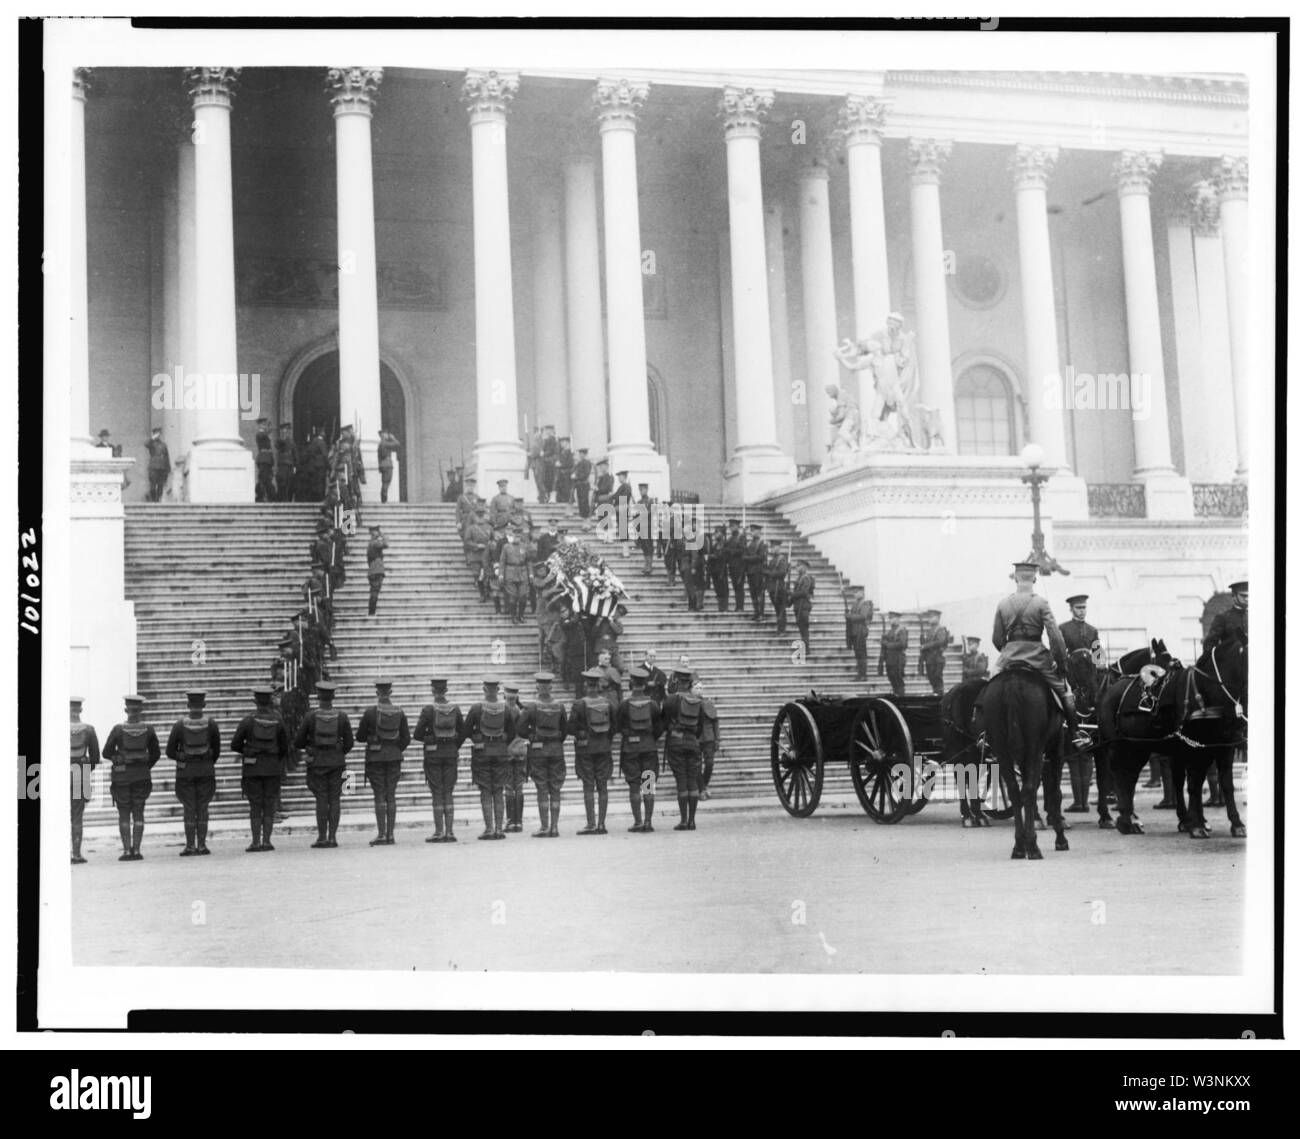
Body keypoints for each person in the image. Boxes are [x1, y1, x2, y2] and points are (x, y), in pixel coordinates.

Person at [991, 561, 1091, 750]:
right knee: (1065, 692)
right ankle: (1076, 732)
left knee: (989, 686)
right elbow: (1055, 638)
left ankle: (985, 734)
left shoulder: (1003, 603)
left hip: (1009, 656)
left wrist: (1009, 650)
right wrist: (1061, 665)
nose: (1082, 610)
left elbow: (996, 638)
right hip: (1037, 657)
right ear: (1035, 578)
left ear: (1016, 578)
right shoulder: (1040, 603)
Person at [293, 679, 354, 848]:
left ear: (318, 696)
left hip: (317, 763)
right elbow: (349, 742)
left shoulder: (310, 716)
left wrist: (311, 748)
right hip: (337, 763)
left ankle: (321, 837)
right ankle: (333, 837)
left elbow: (298, 742)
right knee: (335, 799)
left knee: (321, 798)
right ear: (333, 697)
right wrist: (338, 752)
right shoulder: (342, 716)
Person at [231, 686, 290, 853]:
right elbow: (285, 746)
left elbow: (235, 744)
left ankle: (255, 842)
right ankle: (267, 841)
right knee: (269, 804)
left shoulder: (248, 720)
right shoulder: (278, 720)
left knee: (255, 806)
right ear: (270, 701)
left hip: (253, 769)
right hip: (272, 769)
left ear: (256, 702)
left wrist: (249, 751)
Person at [102, 695, 160, 861]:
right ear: (140, 710)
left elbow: (106, 752)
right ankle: (137, 850)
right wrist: (144, 766)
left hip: (122, 777)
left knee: (124, 813)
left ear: (126, 710)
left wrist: (118, 758)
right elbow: (156, 753)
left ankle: (127, 851)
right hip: (141, 776)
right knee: (139, 813)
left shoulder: (118, 729)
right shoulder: (149, 729)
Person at [165, 689, 222, 857]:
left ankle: (190, 846)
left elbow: (169, 751)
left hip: (185, 773)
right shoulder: (211, 724)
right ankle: (202, 845)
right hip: (205, 771)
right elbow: (217, 751)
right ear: (203, 705)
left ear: (188, 704)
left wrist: (182, 756)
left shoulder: (179, 725)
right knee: (203, 808)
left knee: (189, 808)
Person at [355, 679, 410, 846]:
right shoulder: (400, 712)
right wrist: (394, 748)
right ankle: (391, 835)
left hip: (376, 758)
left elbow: (359, 737)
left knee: (379, 795)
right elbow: (406, 738)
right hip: (393, 757)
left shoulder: (370, 712)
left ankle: (381, 834)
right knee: (391, 795)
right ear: (390, 692)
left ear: (377, 693)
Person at [464, 678, 518, 840]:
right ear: (498, 690)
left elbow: (466, 730)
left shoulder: (476, 708)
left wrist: (478, 740)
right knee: (499, 790)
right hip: (501, 752)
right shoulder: (506, 709)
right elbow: (513, 733)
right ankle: (499, 829)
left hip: (482, 753)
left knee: (486, 790)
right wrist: (502, 743)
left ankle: (489, 828)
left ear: (484, 689)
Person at [411, 677, 463, 843]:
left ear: (433, 691)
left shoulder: (428, 710)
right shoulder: (455, 709)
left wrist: (430, 738)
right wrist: (453, 745)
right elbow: (462, 732)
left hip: (433, 755)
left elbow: (417, 734)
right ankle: (450, 832)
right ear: (446, 691)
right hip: (451, 754)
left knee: (437, 792)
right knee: (448, 791)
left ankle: (439, 832)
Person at [518, 671, 568, 837]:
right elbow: (565, 731)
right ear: (551, 687)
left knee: (542, 788)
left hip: (538, 751)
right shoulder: (560, 706)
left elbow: (520, 729)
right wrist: (554, 740)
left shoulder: (532, 707)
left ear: (537, 687)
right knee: (555, 789)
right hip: (556, 750)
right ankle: (554, 827)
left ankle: (545, 826)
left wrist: (532, 736)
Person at [570, 666, 617, 834]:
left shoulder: (579, 704)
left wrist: (582, 735)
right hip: (603, 749)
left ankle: (591, 824)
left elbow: (570, 728)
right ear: (598, 685)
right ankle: (602, 824)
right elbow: (614, 727)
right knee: (602, 786)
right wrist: (605, 740)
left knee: (588, 786)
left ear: (585, 685)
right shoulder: (609, 703)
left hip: (585, 751)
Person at [619, 667, 663, 832]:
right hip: (649, 748)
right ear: (645, 685)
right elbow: (659, 728)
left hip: (630, 749)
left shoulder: (624, 705)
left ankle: (638, 822)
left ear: (631, 684)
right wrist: (650, 738)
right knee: (648, 785)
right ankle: (648, 822)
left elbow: (619, 726)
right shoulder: (653, 704)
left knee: (634, 786)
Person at [662, 666, 705, 830]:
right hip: (692, 742)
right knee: (692, 779)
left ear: (676, 681)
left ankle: (682, 820)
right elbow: (701, 726)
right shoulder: (698, 701)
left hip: (675, 743)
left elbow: (664, 722)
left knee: (681, 780)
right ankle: (692, 821)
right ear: (689, 682)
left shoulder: (671, 700)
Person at [69, 697, 101, 865]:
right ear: (80, 710)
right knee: (77, 816)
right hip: (80, 774)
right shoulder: (89, 730)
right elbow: (95, 757)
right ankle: (76, 854)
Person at [501, 683, 529, 831]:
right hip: (521, 750)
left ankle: (511, 821)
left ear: (504, 695)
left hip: (507, 751)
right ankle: (519, 822)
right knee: (519, 787)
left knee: (509, 788)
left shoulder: (503, 710)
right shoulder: (522, 710)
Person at [1204, 580, 1248, 654]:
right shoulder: (1222, 618)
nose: (1247, 599)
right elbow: (1209, 645)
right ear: (1234, 596)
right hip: (1232, 662)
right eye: (1243, 596)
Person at [499, 528, 530, 624]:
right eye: (516, 536)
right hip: (510, 573)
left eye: (519, 536)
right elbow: (502, 561)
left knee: (523, 597)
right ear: (512, 536)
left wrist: (531, 573)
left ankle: (521, 615)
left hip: (522, 573)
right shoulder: (506, 547)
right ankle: (513, 616)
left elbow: (528, 561)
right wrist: (501, 574)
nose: (517, 538)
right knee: (512, 598)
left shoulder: (524, 547)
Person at [918, 609, 951, 695]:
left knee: (937, 678)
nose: (930, 618)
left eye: (932, 617)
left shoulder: (940, 629)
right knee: (931, 678)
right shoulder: (930, 630)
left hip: (937, 658)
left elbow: (940, 641)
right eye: (929, 617)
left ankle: (939, 695)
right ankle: (935, 693)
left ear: (938, 618)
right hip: (930, 659)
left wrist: (926, 646)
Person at [697, 681, 719, 800]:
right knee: (697, 765)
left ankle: (703, 787)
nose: (699, 690)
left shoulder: (708, 704)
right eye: (696, 688)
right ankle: (701, 790)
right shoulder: (690, 704)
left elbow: (715, 722)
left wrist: (717, 739)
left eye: (701, 688)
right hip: (696, 738)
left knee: (709, 764)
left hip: (709, 738)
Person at [846, 586, 873, 680]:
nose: (855, 594)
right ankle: (860, 674)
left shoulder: (865, 603)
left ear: (862, 593)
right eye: (854, 592)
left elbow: (862, 616)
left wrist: (850, 616)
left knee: (862, 654)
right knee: (858, 654)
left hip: (861, 631)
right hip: (854, 631)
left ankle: (864, 675)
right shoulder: (855, 604)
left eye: (857, 592)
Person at [878, 611, 908, 697]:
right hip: (890, 659)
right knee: (892, 679)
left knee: (898, 680)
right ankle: (896, 695)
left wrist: (887, 644)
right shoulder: (889, 631)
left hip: (898, 659)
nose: (890, 620)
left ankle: (901, 698)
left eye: (892, 618)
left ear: (898, 619)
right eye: (890, 618)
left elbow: (902, 644)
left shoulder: (901, 630)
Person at [790, 558, 816, 657]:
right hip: (799, 605)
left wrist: (792, 594)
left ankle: (806, 649)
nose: (797, 568)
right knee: (802, 628)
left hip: (803, 606)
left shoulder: (806, 578)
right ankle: (806, 649)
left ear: (804, 567)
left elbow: (803, 592)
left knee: (804, 628)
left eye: (799, 566)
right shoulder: (800, 578)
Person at [765, 537, 791, 634]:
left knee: (781, 610)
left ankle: (782, 629)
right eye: (772, 547)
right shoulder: (772, 560)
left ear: (779, 548)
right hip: (772, 588)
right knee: (777, 609)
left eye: (775, 547)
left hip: (779, 587)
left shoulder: (782, 559)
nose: (773, 549)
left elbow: (782, 573)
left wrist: (770, 573)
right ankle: (780, 629)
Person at [743, 524, 768, 622]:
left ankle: (761, 613)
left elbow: (761, 557)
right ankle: (756, 612)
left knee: (759, 593)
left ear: (759, 532)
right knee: (753, 593)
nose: (752, 532)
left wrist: (748, 558)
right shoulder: (750, 544)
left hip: (759, 571)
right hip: (750, 572)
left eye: (754, 531)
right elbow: (745, 555)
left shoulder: (762, 544)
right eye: (751, 531)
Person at [725, 518, 747, 613]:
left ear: (737, 526)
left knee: (739, 586)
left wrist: (731, 552)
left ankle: (740, 606)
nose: (731, 528)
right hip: (732, 566)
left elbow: (743, 551)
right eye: (730, 526)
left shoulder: (741, 537)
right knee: (735, 586)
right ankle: (737, 606)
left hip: (740, 566)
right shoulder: (730, 538)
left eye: (733, 526)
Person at [706, 523, 730, 611]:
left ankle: (725, 606)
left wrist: (714, 556)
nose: (715, 534)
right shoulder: (715, 545)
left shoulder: (725, 544)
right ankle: (721, 606)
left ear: (722, 534)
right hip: (715, 570)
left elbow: (724, 556)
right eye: (715, 533)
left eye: (717, 532)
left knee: (723, 588)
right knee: (718, 588)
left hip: (722, 569)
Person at [366, 524, 388, 617]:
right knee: (374, 592)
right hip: (376, 570)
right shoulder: (374, 543)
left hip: (374, 570)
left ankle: (372, 612)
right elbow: (386, 544)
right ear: (372, 533)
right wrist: (382, 536)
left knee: (374, 592)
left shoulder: (371, 543)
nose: (377, 533)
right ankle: (371, 613)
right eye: (376, 531)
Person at [145, 426, 170, 502]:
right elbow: (146, 444)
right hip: (153, 467)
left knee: (160, 485)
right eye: (156, 433)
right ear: (153, 434)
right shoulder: (151, 443)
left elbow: (166, 457)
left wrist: (168, 469)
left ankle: (157, 500)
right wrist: (152, 438)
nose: (158, 435)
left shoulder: (163, 445)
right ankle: (153, 498)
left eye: (159, 434)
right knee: (152, 486)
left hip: (162, 467)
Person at [275, 422, 297, 501]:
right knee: (282, 484)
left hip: (290, 465)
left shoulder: (292, 442)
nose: (285, 431)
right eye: (284, 429)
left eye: (287, 430)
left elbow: (295, 455)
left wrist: (295, 466)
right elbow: (278, 444)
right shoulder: (280, 440)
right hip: (282, 465)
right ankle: (282, 500)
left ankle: (288, 500)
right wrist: (283, 437)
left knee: (289, 484)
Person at [377, 429, 401, 502]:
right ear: (383, 435)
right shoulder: (385, 443)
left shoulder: (381, 443)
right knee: (386, 482)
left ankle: (383, 498)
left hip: (383, 464)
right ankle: (384, 499)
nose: (388, 435)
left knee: (385, 482)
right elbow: (397, 444)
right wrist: (393, 438)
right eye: (386, 434)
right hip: (387, 464)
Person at [254, 428, 276, 503]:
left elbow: (270, 449)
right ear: (260, 425)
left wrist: (272, 459)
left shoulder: (265, 435)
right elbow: (261, 435)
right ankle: (261, 497)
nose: (264, 425)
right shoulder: (260, 434)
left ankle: (268, 497)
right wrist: (268, 430)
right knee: (263, 479)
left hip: (268, 460)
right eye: (263, 424)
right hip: (263, 459)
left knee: (268, 479)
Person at [538, 424, 558, 503]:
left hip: (550, 462)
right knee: (547, 480)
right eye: (547, 430)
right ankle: (548, 496)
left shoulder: (552, 439)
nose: (547, 432)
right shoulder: (547, 439)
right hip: (547, 462)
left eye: (548, 430)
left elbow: (551, 450)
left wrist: (544, 453)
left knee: (549, 479)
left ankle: (550, 497)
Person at [572, 447, 593, 517]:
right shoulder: (579, 463)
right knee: (580, 500)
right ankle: (582, 514)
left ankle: (586, 515)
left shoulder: (587, 463)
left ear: (585, 454)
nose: (580, 455)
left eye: (582, 454)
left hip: (584, 484)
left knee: (584, 501)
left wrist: (576, 476)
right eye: (580, 453)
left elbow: (586, 474)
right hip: (579, 484)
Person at [555, 434, 575, 504]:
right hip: (562, 474)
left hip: (566, 473)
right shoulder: (563, 451)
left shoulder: (569, 452)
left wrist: (560, 464)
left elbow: (570, 463)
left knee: (567, 491)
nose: (561, 444)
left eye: (562, 442)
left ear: (567, 442)